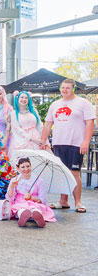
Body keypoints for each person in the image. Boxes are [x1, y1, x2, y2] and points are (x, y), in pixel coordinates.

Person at [41, 79, 95, 213]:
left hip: (76, 143)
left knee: (75, 172)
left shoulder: (83, 103)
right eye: (63, 88)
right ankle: (63, 201)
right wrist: (43, 140)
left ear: (73, 89)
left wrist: (86, 141)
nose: (65, 90)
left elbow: (90, 123)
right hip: (59, 143)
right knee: (62, 173)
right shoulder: (55, 104)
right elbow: (48, 124)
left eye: (68, 88)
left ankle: (78, 202)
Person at [7, 157, 56, 227]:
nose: (26, 169)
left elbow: (43, 200)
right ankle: (23, 215)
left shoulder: (39, 180)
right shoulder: (15, 180)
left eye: (28, 166)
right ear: (18, 168)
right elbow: (10, 197)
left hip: (34, 202)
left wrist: (31, 197)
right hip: (20, 203)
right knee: (21, 209)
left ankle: (37, 216)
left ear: (31, 166)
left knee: (35, 208)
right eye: (23, 167)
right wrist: (12, 187)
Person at [8, 91, 43, 160]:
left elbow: (40, 125)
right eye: (22, 97)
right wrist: (32, 139)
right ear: (17, 99)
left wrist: (43, 139)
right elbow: (16, 129)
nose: (24, 99)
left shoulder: (34, 111)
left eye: (26, 98)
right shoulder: (14, 114)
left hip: (37, 138)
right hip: (21, 140)